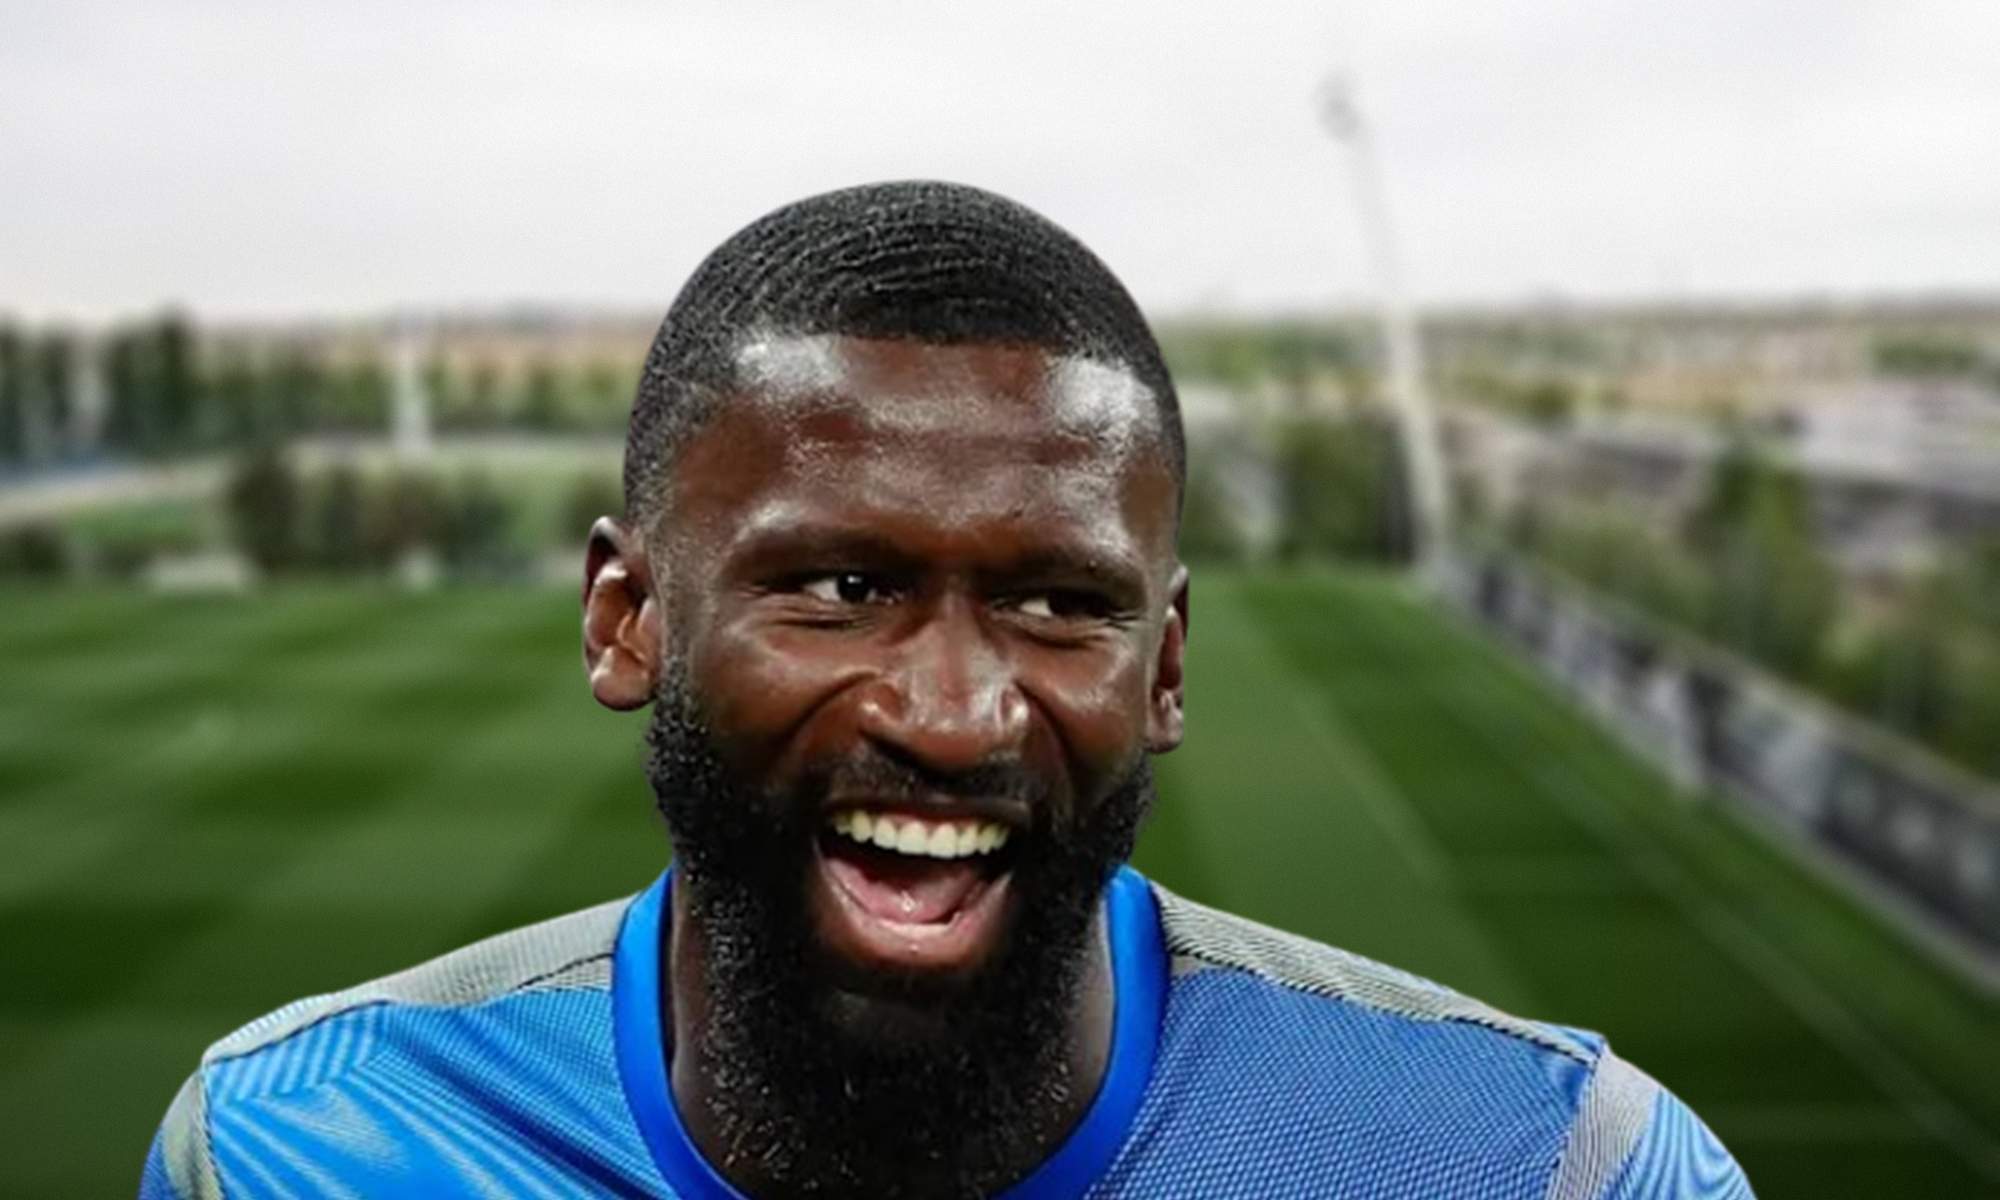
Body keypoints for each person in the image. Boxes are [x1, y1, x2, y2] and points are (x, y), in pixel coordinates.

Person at [140, 181, 1752, 1199]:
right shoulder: (290, 1152)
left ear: (1165, 664)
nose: (955, 712)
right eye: (843, 588)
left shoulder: (1558, 1171)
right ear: (627, 621)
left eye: (1058, 604)